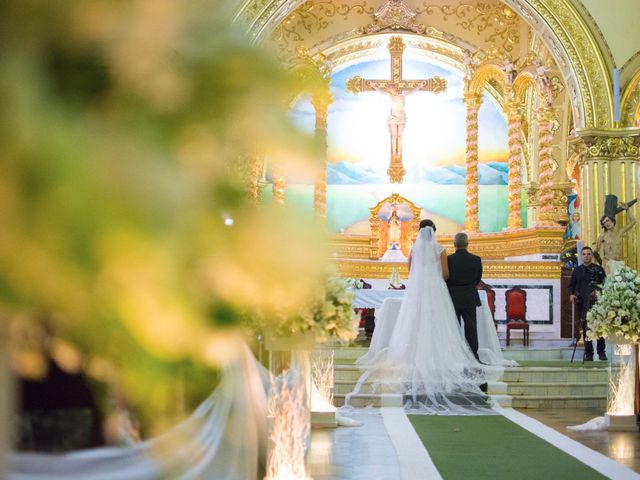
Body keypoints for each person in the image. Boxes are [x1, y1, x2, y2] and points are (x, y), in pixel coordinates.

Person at [348, 219, 497, 413]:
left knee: (416, 321)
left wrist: (422, 278)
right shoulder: (440, 249)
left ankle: (414, 354)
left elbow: (411, 271)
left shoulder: (414, 250)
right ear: (434, 231)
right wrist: (434, 277)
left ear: (419, 232)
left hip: (418, 291)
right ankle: (441, 354)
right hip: (436, 290)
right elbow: (444, 274)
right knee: (440, 323)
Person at [447, 232, 483, 362]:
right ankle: (473, 355)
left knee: (454, 328)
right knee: (471, 328)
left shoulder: (449, 260)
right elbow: (478, 279)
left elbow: (446, 278)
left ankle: (455, 355)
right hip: (470, 297)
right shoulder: (476, 259)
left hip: (453, 298)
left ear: (454, 244)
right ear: (467, 244)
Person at [568, 246, 607, 361]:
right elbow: (571, 285)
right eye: (584, 254)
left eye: (589, 254)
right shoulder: (577, 270)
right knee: (586, 327)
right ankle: (588, 353)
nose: (586, 256)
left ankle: (601, 352)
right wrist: (571, 294)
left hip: (597, 303)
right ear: (581, 256)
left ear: (592, 255)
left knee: (599, 326)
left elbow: (605, 284)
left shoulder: (599, 269)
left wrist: (598, 290)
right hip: (582, 302)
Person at [594, 202, 636, 274]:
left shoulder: (620, 232)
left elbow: (633, 221)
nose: (606, 223)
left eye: (607, 221)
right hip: (608, 264)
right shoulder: (603, 235)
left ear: (613, 221)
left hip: (619, 263)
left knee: (620, 285)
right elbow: (596, 251)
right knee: (609, 284)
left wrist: (627, 210)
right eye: (604, 223)